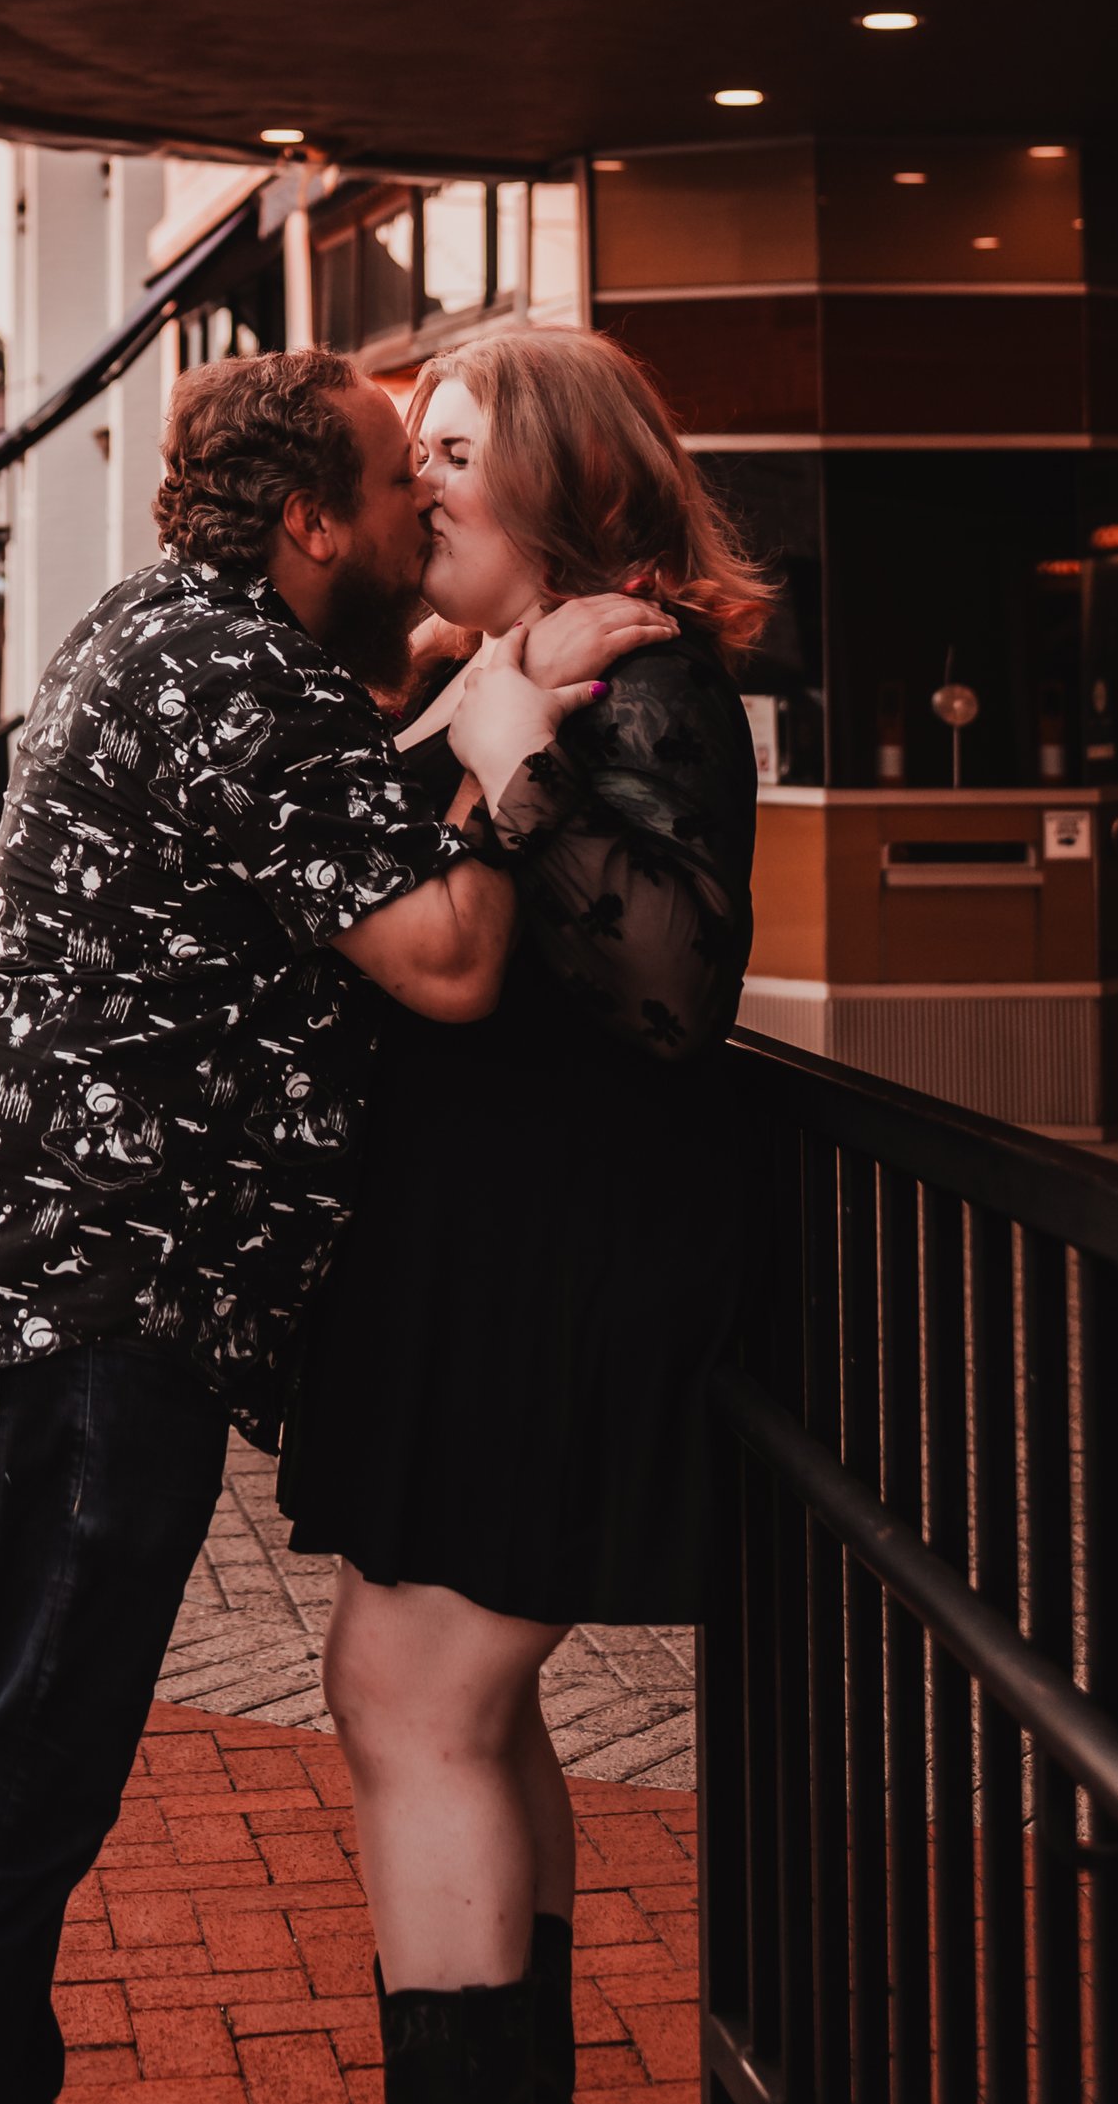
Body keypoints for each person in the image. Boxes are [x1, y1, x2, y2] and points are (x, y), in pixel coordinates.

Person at [0, 348, 667, 2104]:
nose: (425, 505)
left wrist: (462, 686)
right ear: (310, 518)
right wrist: (518, 723)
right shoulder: (242, 679)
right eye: (399, 479)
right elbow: (449, 957)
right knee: (13, 1795)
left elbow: (321, 832)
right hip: (73, 1320)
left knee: (3, 1769)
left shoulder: (173, 634)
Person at [280, 324, 769, 2104]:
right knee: (447, 1702)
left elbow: (672, 988)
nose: (420, 481)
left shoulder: (634, 677)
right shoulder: (515, 658)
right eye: (416, 447)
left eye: (459, 449)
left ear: (569, 475)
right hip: (482, 1254)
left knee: (412, 1698)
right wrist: (470, 691)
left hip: (551, 1265)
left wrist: (512, 747)